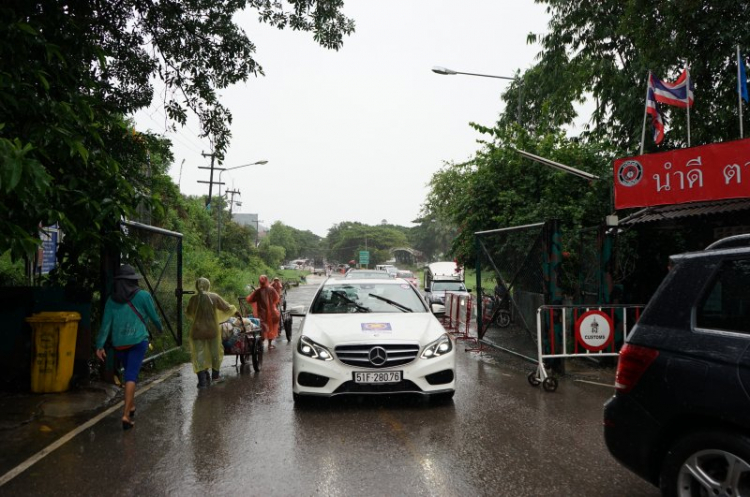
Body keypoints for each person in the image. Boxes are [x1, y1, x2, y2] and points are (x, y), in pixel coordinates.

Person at [96, 264, 162, 431]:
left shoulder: (111, 300)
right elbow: (154, 317)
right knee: (131, 375)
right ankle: (125, 415)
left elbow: (105, 325)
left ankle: (131, 406)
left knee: (129, 373)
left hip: (119, 344)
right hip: (139, 341)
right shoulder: (143, 296)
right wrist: (159, 328)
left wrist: (99, 346)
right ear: (133, 281)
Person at [186, 278, 236, 388]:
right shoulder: (214, 297)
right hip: (212, 330)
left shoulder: (193, 299)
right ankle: (215, 376)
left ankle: (202, 380)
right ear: (208, 285)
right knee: (215, 352)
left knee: (199, 354)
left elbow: (189, 312)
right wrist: (234, 311)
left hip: (197, 330)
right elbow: (226, 308)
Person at [246, 275, 280, 350]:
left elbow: (250, 300)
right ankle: (269, 344)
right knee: (271, 327)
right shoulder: (271, 289)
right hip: (272, 312)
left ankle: (261, 341)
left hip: (261, 313)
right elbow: (276, 298)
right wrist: (271, 304)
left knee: (262, 327)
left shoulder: (257, 291)